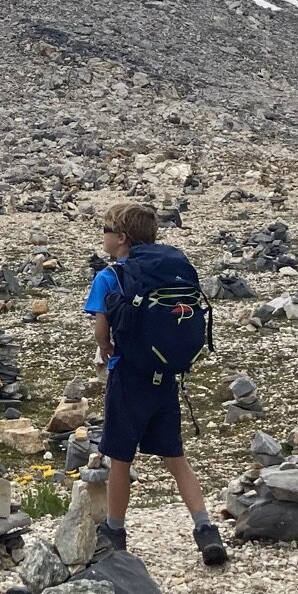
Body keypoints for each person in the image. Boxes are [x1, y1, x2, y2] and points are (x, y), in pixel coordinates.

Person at [83, 201, 227, 566]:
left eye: (105, 229)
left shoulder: (111, 276)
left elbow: (102, 330)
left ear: (121, 237)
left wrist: (107, 350)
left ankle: (114, 531)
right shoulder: (172, 269)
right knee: (175, 457)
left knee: (120, 456)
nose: (102, 235)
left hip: (129, 375)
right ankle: (205, 528)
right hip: (165, 374)